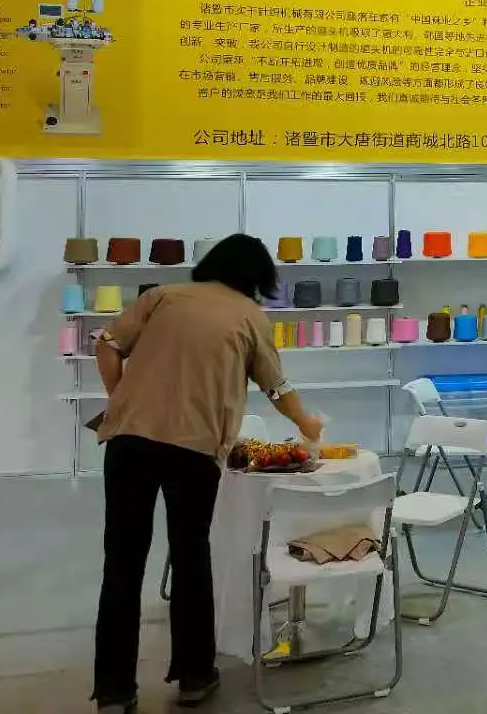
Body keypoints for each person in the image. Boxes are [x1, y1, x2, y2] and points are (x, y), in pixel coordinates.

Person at [90, 234, 322, 713]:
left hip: (129, 442)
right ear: (257, 275)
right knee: (191, 557)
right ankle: (195, 677)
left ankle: (114, 692)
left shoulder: (162, 296)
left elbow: (107, 346)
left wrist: (122, 401)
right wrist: (307, 423)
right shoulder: (249, 316)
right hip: (193, 450)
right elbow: (276, 387)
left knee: (122, 563)